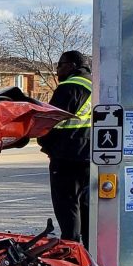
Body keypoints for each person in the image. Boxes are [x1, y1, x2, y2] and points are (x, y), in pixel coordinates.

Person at [41, 51, 94, 243]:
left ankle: (71, 249)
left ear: (72, 65)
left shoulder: (70, 86)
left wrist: (45, 143)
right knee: (87, 206)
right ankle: (90, 249)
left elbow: (49, 122)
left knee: (67, 206)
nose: (57, 70)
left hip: (67, 156)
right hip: (91, 156)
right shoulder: (96, 86)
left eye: (60, 65)